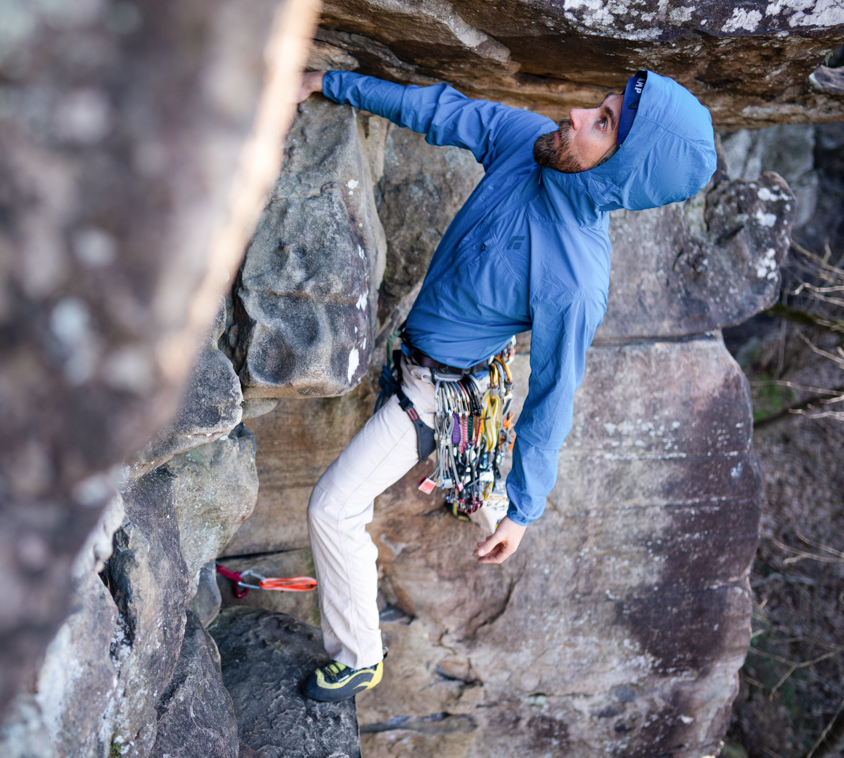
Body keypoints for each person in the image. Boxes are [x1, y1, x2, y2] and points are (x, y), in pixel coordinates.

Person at [295, 68, 717, 702]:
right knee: (472, 495)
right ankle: (489, 502)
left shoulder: (575, 283)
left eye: (601, 124)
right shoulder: (529, 144)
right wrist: (326, 81)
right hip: (437, 368)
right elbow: (441, 110)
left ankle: (358, 657)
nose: (574, 113)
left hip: (438, 400)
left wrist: (524, 511)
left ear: (619, 172)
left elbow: (552, 394)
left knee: (334, 508)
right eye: (596, 103)